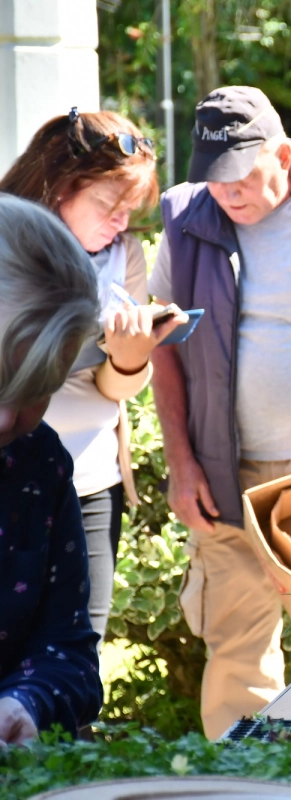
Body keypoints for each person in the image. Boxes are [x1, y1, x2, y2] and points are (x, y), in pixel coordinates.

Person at [149, 86, 291, 739]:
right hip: (223, 478)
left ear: (282, 153)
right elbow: (163, 343)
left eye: (241, 177)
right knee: (237, 658)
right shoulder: (187, 218)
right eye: (213, 179)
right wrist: (181, 462)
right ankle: (244, 778)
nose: (227, 194)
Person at [0, 109, 186, 644]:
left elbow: (113, 391)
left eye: (131, 210)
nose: (121, 223)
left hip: (90, 476)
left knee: (78, 644)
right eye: (109, 204)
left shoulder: (123, 255)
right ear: (60, 186)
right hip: (14, 473)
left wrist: (130, 358)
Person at [0, 194, 106, 744]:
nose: (7, 418)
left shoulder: (40, 465)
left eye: (37, 390)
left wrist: (26, 704)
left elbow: (70, 655)